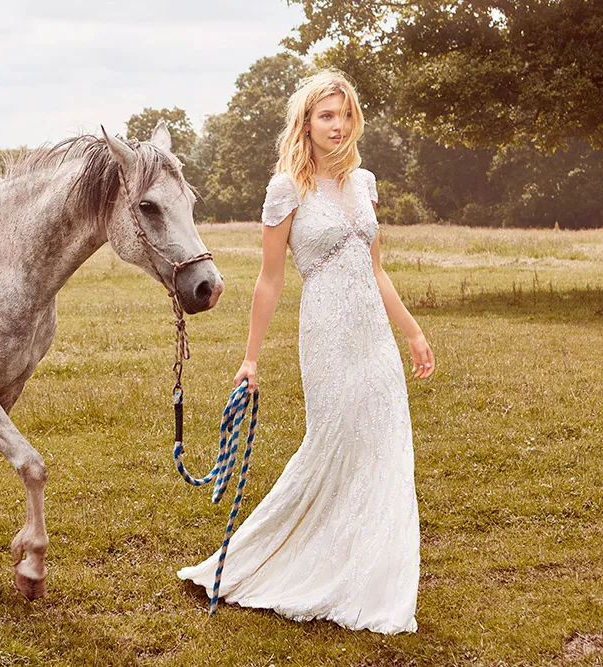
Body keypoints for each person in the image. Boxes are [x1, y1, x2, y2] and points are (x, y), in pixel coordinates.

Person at [178, 70, 435, 634]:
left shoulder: (364, 182)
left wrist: (412, 332)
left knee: (383, 446)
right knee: (332, 443)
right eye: (326, 116)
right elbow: (270, 280)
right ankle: (272, 560)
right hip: (326, 335)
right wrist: (251, 358)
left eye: (345, 115)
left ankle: (370, 569)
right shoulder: (286, 188)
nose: (338, 126)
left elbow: (375, 270)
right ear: (307, 123)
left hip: (374, 337)